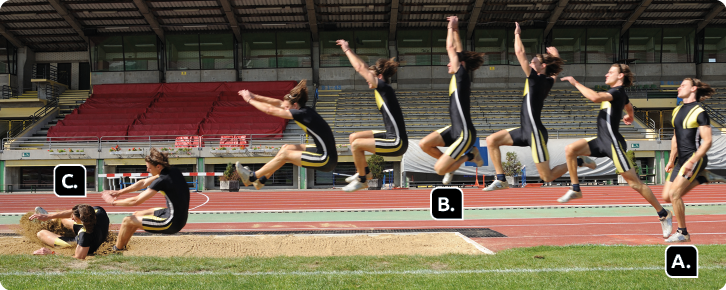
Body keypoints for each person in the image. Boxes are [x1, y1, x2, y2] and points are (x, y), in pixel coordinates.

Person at [558, 64, 672, 238]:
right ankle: (575, 188)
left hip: (613, 144)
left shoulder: (616, 92)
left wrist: (575, 83)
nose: (606, 74)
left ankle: (663, 213)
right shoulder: (618, 94)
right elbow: (629, 106)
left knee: (635, 184)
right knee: (570, 149)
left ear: (620, 76)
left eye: (610, 72)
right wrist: (630, 116)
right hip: (600, 141)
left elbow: (595, 97)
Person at [483, 22, 596, 192]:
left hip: (535, 132)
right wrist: (556, 56)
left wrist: (517, 34)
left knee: (547, 176)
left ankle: (578, 161)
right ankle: (501, 179)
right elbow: (554, 74)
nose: (530, 62)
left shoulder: (535, 79)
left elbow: (519, 52)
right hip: (524, 130)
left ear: (542, 66)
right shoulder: (547, 80)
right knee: (491, 140)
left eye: (534, 60)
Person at [418, 16, 484, 185]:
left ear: (460, 63)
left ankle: (470, 155)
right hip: (454, 129)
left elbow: (450, 47)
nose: (448, 64)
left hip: (464, 134)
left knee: (439, 169)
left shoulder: (461, 74)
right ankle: (451, 166)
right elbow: (458, 48)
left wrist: (449, 27)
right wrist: (456, 29)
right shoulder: (461, 74)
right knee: (425, 144)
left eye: (451, 61)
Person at [236, 80, 338, 189]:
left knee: (285, 155)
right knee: (286, 148)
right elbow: (278, 103)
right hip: (324, 152)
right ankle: (261, 180)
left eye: (286, 108)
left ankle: (251, 177)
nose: (284, 109)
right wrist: (255, 96)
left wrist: (249, 99)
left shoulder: (301, 114)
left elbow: (270, 110)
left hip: (326, 159)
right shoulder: (303, 110)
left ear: (294, 105)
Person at [336, 39, 407, 192]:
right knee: (353, 137)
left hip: (397, 142)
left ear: (379, 77)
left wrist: (347, 49)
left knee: (356, 145)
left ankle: (362, 180)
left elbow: (360, 67)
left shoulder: (384, 88)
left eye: (370, 77)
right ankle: (365, 172)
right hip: (390, 134)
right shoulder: (381, 88)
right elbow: (366, 68)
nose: (367, 80)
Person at [662, 78, 723, 242]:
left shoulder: (700, 113)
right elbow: (675, 137)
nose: (678, 87)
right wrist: (671, 159)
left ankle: (683, 232)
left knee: (675, 194)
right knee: (667, 196)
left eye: (682, 85)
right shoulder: (677, 110)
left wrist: (692, 161)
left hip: (694, 159)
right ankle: (703, 178)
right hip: (681, 160)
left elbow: (708, 141)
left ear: (693, 88)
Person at [101, 148, 190, 251]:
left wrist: (113, 202)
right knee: (136, 214)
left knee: (127, 220)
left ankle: (116, 250)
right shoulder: (173, 171)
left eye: (149, 168)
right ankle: (123, 245)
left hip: (171, 223)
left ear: (158, 166)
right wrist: (119, 192)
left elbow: (136, 201)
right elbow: (143, 183)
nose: (147, 170)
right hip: (177, 216)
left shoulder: (162, 180)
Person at [29, 204, 109, 259]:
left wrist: (52, 253)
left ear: (80, 219)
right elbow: (75, 212)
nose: (72, 218)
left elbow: (78, 258)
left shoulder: (84, 236)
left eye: (74, 217)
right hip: (98, 231)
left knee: (41, 233)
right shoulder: (98, 211)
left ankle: (50, 225)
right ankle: (49, 220)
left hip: (88, 244)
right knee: (62, 219)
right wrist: (49, 216)